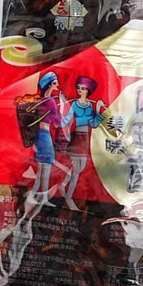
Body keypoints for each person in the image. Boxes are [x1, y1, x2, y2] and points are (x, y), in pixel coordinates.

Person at [0, 71, 64, 286]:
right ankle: (41, 197)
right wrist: (61, 106)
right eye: (55, 82)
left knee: (42, 168)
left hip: (38, 138)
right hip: (45, 136)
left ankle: (38, 196)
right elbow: (58, 121)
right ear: (49, 85)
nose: (57, 84)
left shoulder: (37, 101)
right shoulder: (49, 102)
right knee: (45, 169)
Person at [59, 75, 106, 209]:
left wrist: (98, 108)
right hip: (77, 139)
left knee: (79, 168)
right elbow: (66, 120)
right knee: (76, 170)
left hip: (86, 140)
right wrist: (62, 105)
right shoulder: (74, 104)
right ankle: (69, 198)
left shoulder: (90, 105)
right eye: (79, 88)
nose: (80, 90)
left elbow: (94, 124)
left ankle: (62, 185)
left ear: (88, 90)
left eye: (83, 88)